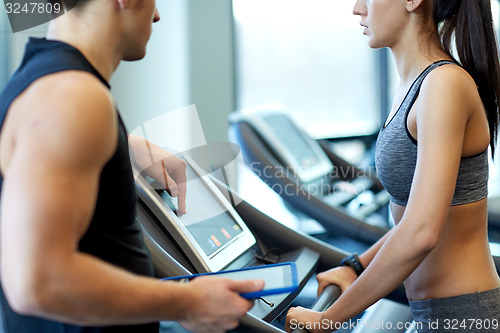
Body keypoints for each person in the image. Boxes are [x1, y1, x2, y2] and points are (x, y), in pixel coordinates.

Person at [0, 0, 264, 332]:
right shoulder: (73, 97)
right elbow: (37, 282)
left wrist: (122, 144)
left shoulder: (48, 81)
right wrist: (188, 301)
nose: (156, 15)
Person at [285, 0, 500, 332]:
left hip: (464, 316)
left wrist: (329, 318)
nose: (358, 9)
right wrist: (355, 265)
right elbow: (412, 220)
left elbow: (421, 233)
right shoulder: (415, 86)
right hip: (431, 313)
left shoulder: (443, 85)